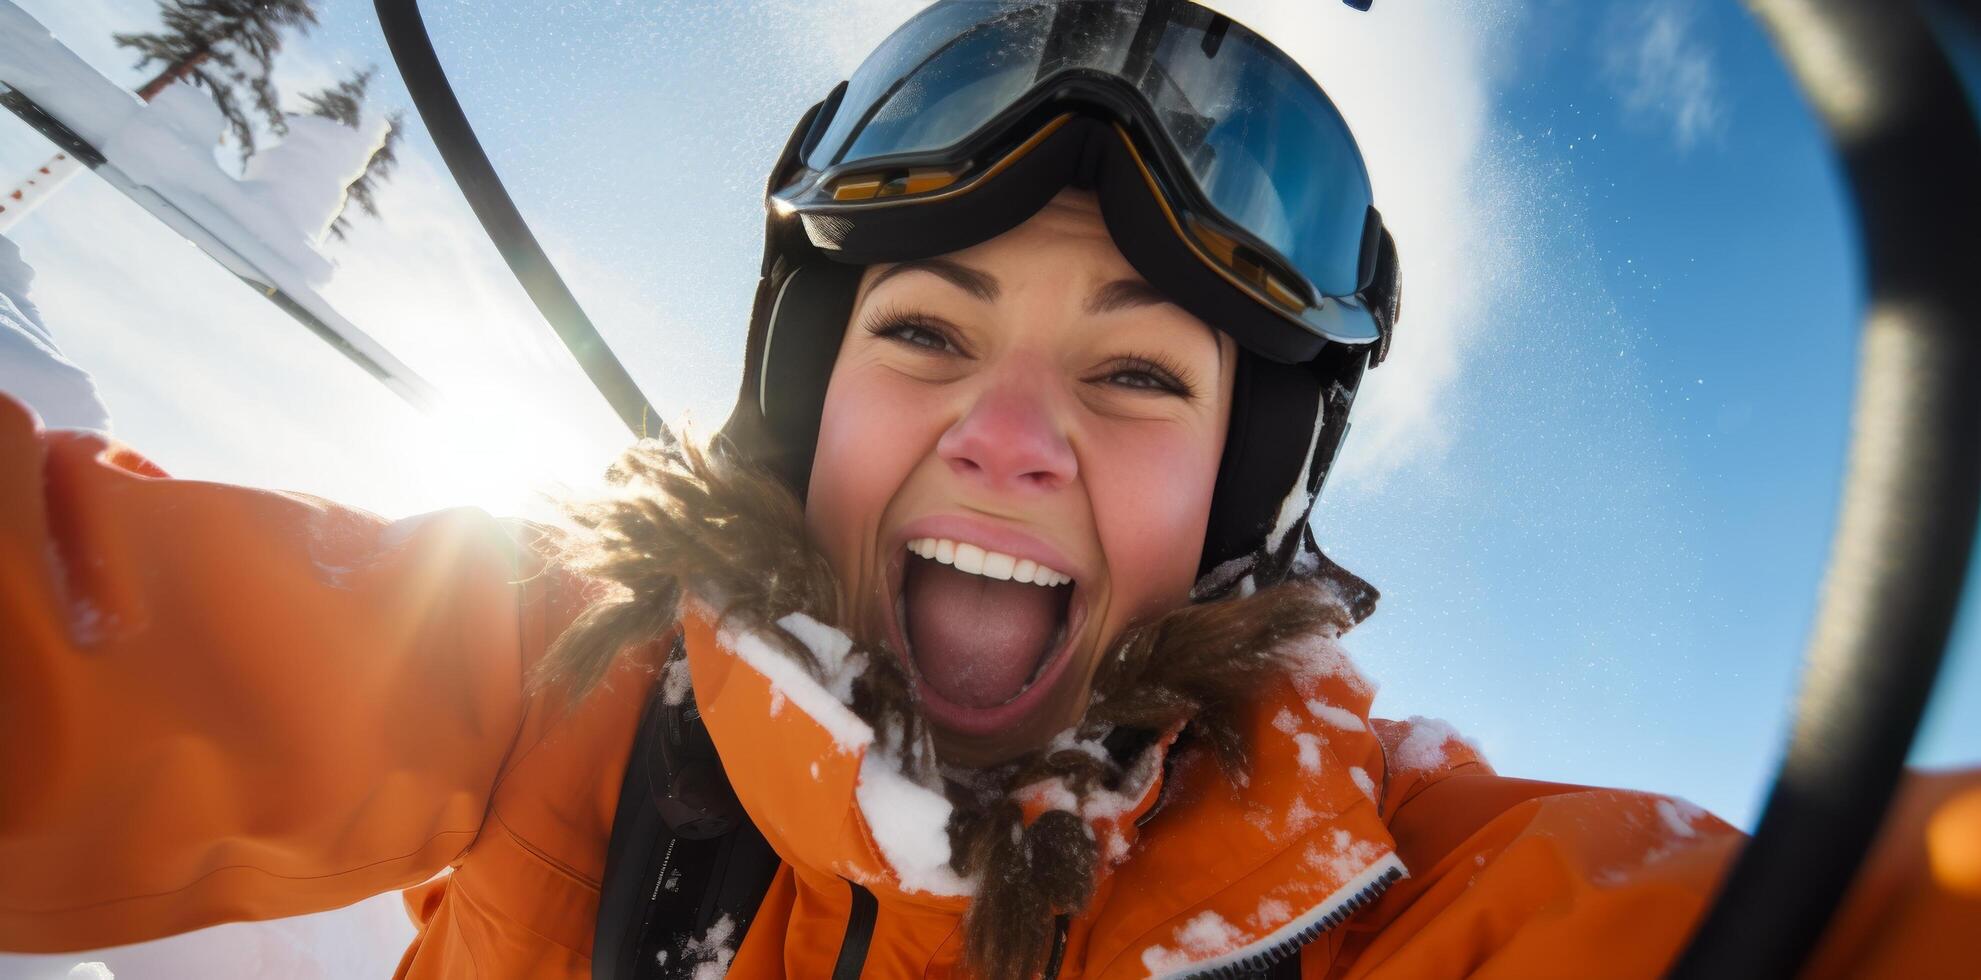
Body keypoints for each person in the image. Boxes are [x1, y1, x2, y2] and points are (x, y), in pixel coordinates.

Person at [3, 2, 1978, 977]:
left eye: (1133, 375)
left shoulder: (1384, 902)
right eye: (927, 335)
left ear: (1243, 491)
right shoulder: (560, 677)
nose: (1009, 438)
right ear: (803, 395)